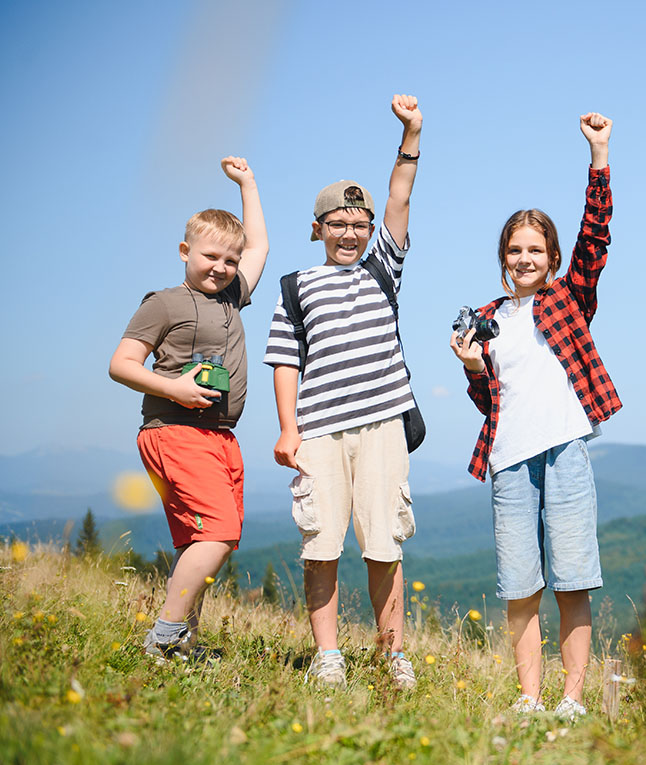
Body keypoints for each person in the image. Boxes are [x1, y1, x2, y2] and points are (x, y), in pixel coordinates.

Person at [450, 112, 618, 719]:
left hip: (565, 448)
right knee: (520, 587)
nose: (525, 258)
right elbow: (488, 401)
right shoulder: (486, 319)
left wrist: (598, 155)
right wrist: (473, 366)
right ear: (504, 258)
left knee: (573, 581)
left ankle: (571, 699)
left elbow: (595, 239)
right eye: (515, 250)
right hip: (508, 459)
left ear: (552, 258)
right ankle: (529, 697)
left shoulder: (569, 298)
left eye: (535, 250)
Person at [265, 94, 422, 688]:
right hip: (319, 430)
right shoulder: (296, 285)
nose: (350, 233)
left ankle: (392, 656)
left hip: (383, 424)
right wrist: (288, 429)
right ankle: (328, 656)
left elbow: (399, 197)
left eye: (360, 225)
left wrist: (411, 135)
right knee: (321, 544)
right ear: (318, 229)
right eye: (338, 224)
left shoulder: (384, 270)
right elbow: (285, 360)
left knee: (385, 544)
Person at [109, 157, 268, 661]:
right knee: (218, 533)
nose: (221, 267)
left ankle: (183, 645)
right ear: (185, 252)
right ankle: (163, 637)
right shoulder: (164, 303)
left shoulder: (232, 297)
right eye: (210, 256)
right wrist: (175, 388)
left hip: (218, 436)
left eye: (229, 260)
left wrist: (248, 184)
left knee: (197, 541)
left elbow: (259, 247)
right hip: (175, 429)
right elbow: (121, 364)